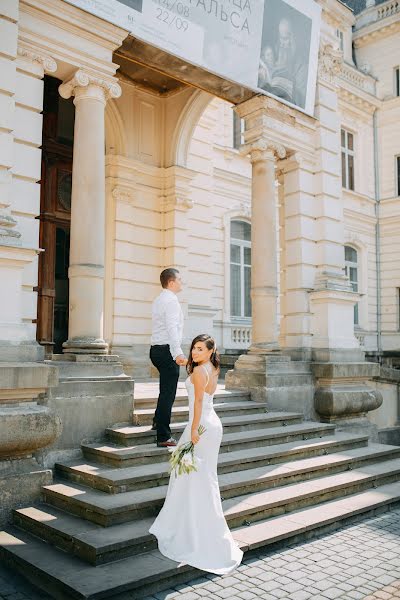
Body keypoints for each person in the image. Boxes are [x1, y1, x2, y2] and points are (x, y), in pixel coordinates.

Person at [149, 334, 243, 574]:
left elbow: (199, 400)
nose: (195, 353)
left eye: (200, 349)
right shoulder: (211, 367)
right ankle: (198, 525)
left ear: (211, 351)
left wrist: (192, 431)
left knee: (191, 477)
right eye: (194, 349)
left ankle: (193, 529)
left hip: (201, 427)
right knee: (201, 477)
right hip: (210, 425)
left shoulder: (200, 372)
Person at [150, 268, 186, 448]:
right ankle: (163, 436)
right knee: (168, 394)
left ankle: (157, 421)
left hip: (155, 350)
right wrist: (178, 352)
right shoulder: (171, 301)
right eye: (180, 279)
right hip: (167, 351)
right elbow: (172, 328)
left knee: (164, 390)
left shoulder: (159, 299)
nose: (182, 282)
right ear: (171, 282)